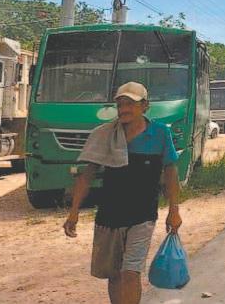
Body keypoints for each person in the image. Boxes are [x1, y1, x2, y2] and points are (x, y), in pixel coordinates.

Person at [63, 82, 181, 304]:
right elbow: (86, 176)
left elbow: (171, 174)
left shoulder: (160, 133)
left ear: (145, 106)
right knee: (114, 274)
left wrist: (174, 211)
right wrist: (74, 212)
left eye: (130, 104)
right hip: (109, 215)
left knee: (131, 272)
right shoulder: (105, 134)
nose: (124, 109)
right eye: (120, 105)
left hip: (143, 216)